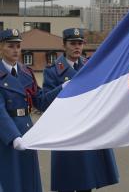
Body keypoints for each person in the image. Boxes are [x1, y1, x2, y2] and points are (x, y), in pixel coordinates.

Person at [43, 28, 119, 192]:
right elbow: (44, 103)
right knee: (67, 183)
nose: (77, 47)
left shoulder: (90, 66)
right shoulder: (52, 71)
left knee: (87, 183)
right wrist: (63, 87)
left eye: (80, 43)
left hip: (87, 130)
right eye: (72, 43)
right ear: (64, 45)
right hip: (65, 133)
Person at [0, 29, 64, 192]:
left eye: (18, 46)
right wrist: (13, 137)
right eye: (11, 46)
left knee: (28, 180)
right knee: (10, 180)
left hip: (27, 133)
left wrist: (62, 88)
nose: (15, 50)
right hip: (6, 136)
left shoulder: (26, 72)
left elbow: (40, 102)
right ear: (1, 48)